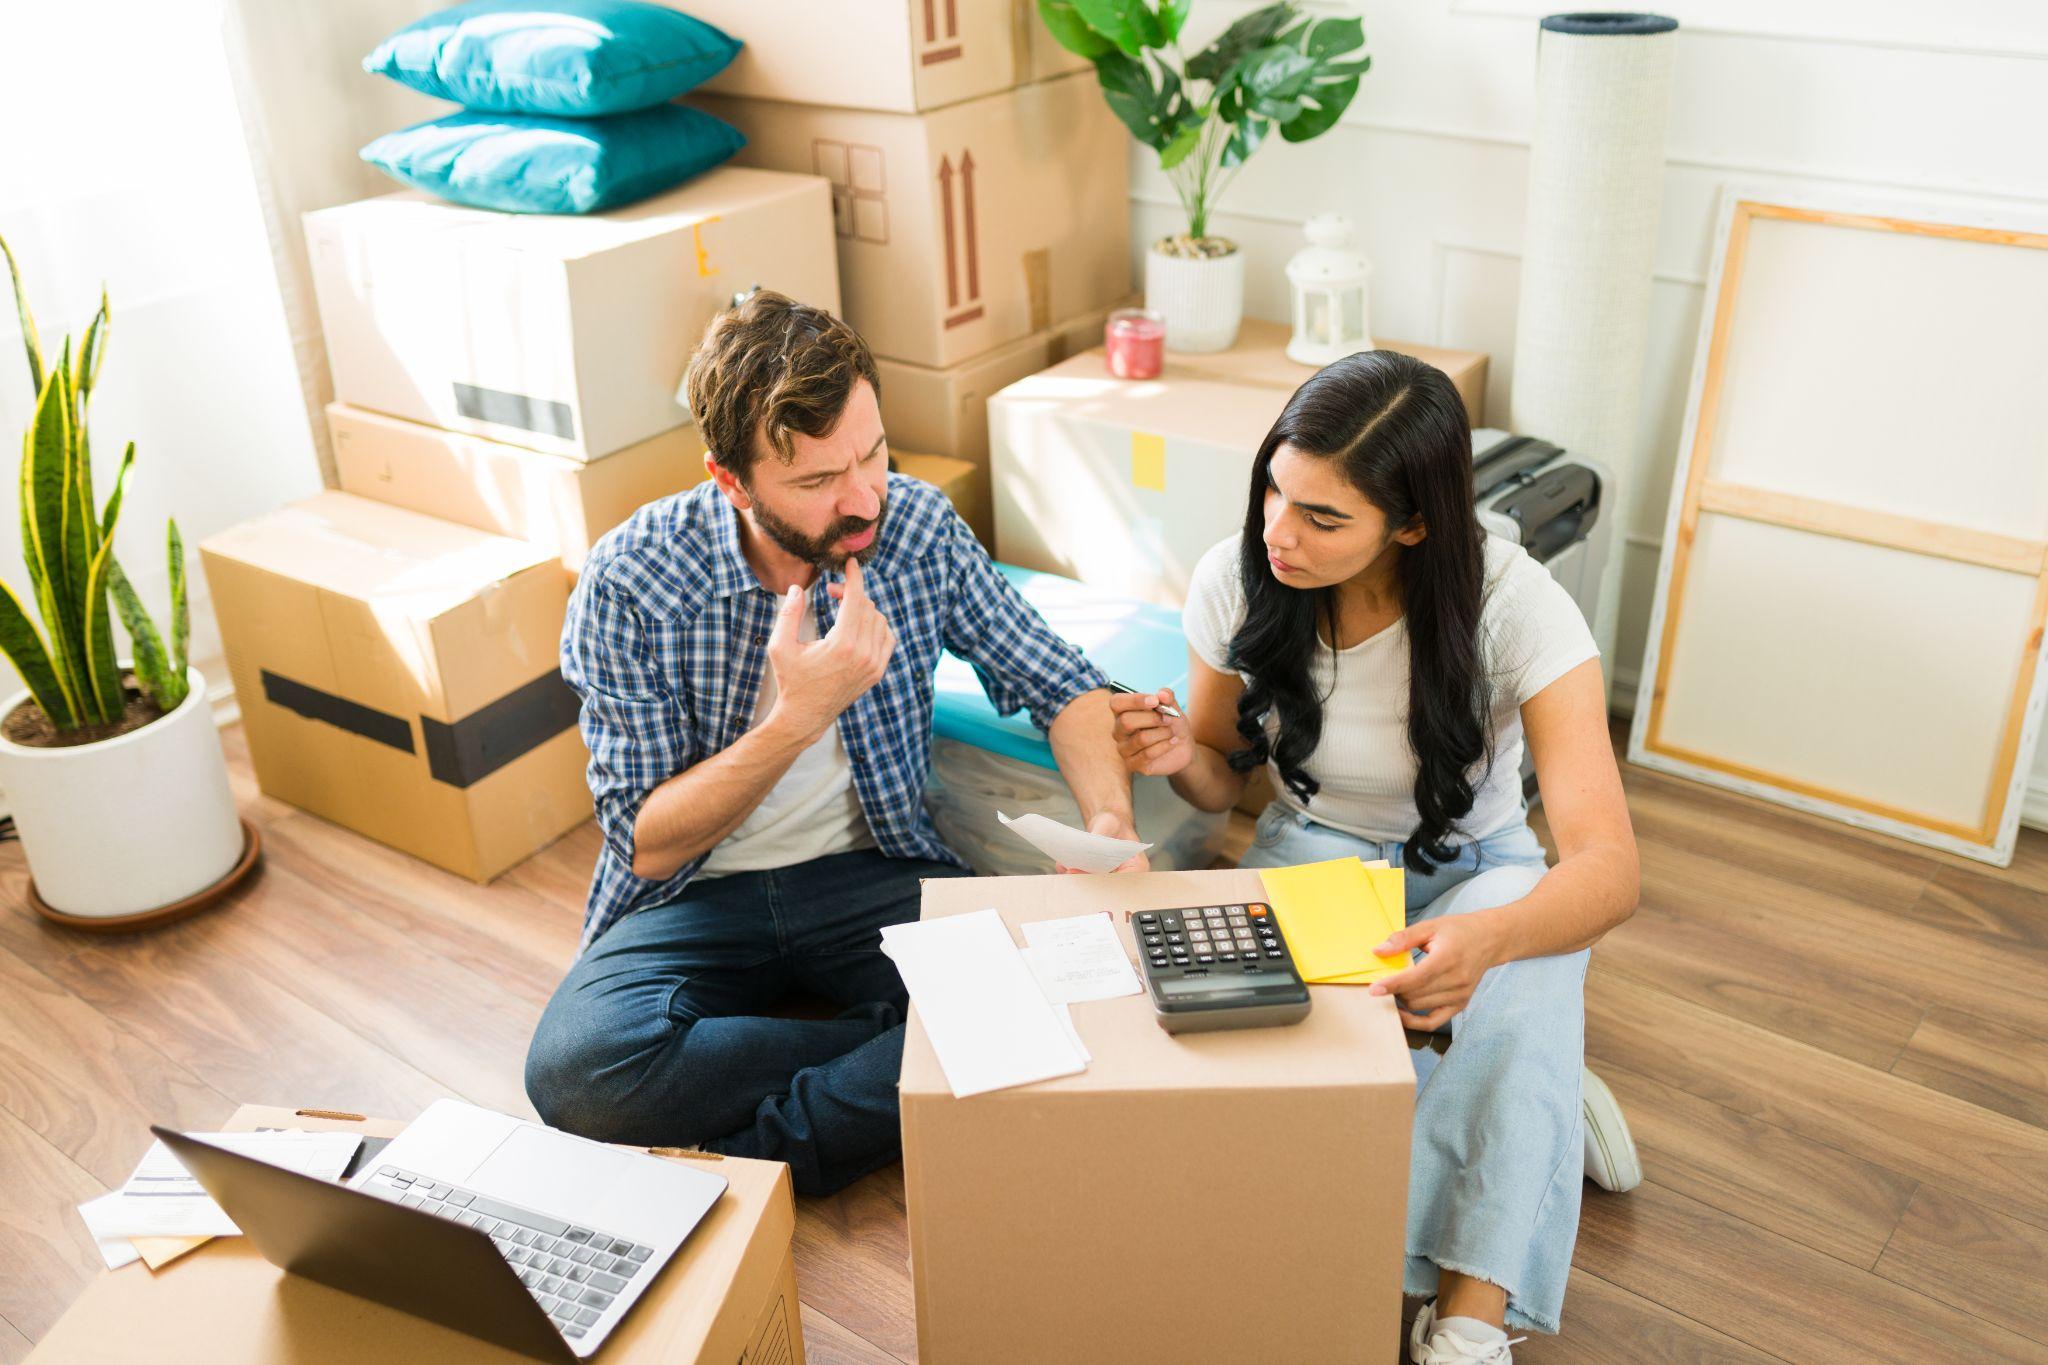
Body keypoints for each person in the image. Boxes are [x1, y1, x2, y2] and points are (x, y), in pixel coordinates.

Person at [526, 289, 1141, 1196]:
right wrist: (798, 716)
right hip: (698, 897)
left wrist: (1110, 822)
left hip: (871, 870)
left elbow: (1068, 687)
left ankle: (758, 1153)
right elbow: (649, 844)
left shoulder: (918, 527)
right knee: (577, 1072)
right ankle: (910, 1058)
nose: (863, 499)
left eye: (873, 454)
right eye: (817, 481)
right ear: (729, 480)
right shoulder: (632, 579)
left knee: (1074, 983)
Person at [1110, 350, 1641, 1364]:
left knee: (1527, 965)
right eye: (1274, 487)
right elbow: (1224, 787)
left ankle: (1466, 1327)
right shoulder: (1238, 576)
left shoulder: (1516, 607)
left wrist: (1482, 940)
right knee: (1259, 1073)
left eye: (1321, 517)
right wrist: (1183, 759)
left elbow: (1606, 868)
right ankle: (1528, 1096)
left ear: (1412, 523)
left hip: (1474, 863)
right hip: (1309, 853)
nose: (1277, 530)